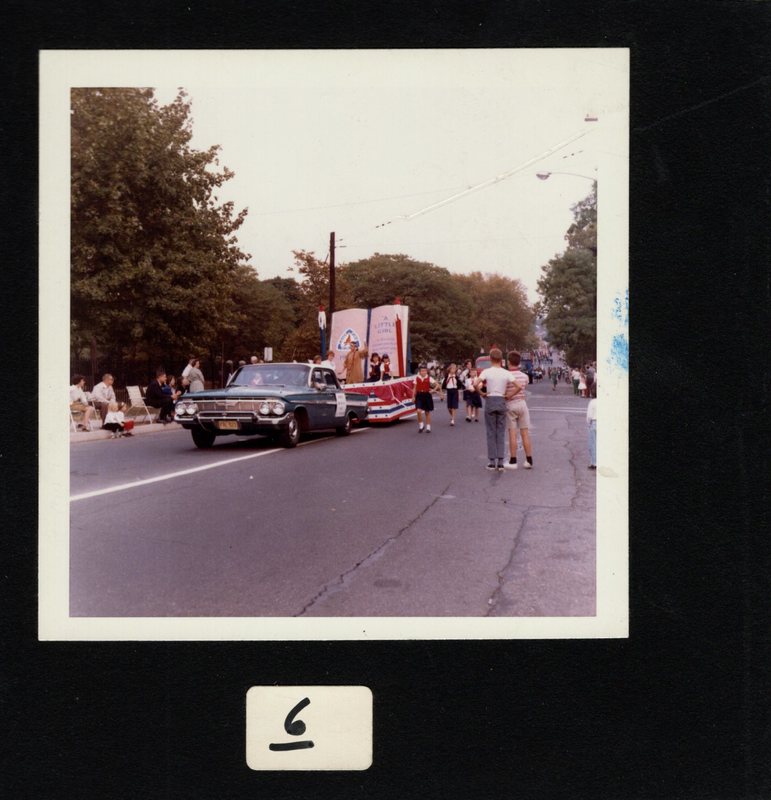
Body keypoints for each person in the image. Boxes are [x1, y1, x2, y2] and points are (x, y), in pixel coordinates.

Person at [475, 348, 514, 471]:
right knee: (500, 431)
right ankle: (501, 461)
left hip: (491, 399)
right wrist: (509, 395)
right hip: (501, 400)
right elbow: (518, 386)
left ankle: (492, 461)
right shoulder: (506, 372)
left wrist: (482, 393)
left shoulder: (487, 372)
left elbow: (476, 384)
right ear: (501, 360)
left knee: (491, 431)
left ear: (491, 359)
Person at [503, 350, 533, 470]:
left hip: (511, 404)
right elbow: (524, 386)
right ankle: (529, 459)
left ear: (509, 362)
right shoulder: (524, 376)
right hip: (522, 404)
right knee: (525, 432)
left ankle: (513, 460)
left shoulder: (506, 376)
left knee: (512, 433)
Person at [411, 363, 442, 433]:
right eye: (422, 371)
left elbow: (438, 385)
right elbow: (414, 388)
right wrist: (413, 396)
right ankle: (421, 425)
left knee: (427, 412)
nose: (423, 372)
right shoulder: (417, 378)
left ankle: (428, 427)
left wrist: (433, 390)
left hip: (427, 395)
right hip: (419, 395)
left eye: (425, 371)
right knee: (418, 411)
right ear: (419, 371)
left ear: (426, 371)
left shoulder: (429, 378)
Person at [587, 392, 597, 469]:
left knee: (593, 443)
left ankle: (594, 462)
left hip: (594, 422)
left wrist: (588, 423)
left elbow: (589, 416)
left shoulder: (592, 402)